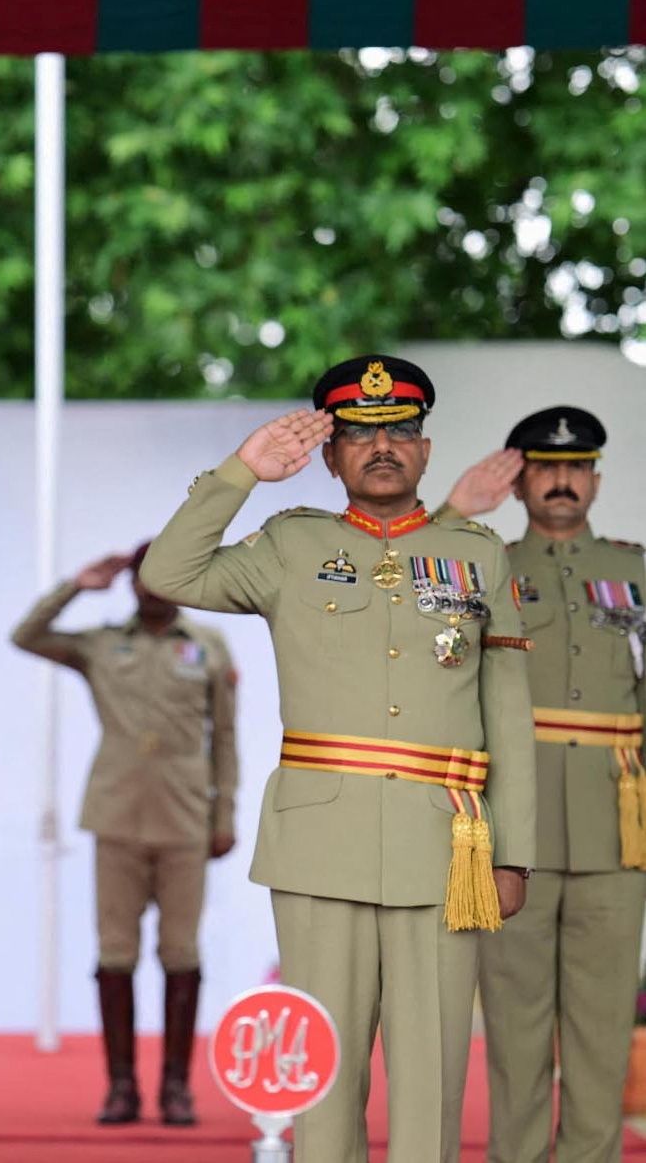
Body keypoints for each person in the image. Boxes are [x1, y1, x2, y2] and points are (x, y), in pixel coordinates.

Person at [138, 354, 535, 1162]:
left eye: (399, 433)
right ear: (329, 456)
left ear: (425, 449)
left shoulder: (479, 555)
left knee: (431, 1076)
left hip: (446, 847)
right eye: (358, 435)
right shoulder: (290, 545)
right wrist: (242, 472)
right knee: (322, 1077)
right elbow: (167, 571)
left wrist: (515, 851)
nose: (381, 448)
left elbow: (509, 715)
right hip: (321, 847)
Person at [445, 407, 646, 1162]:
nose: (562, 482)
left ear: (594, 478)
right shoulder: (482, 563)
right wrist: (452, 514)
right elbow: (409, 614)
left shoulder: (636, 571)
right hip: (511, 829)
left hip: (615, 823)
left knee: (600, 1027)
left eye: (576, 467)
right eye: (545, 468)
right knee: (515, 1024)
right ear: (521, 479)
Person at [12, 542, 237, 1126]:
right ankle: (120, 1087)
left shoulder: (208, 647)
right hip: (116, 817)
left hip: (186, 818)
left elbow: (227, 740)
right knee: (116, 953)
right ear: (132, 582)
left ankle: (176, 1088)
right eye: (143, 575)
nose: (153, 585)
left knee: (181, 952)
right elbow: (26, 636)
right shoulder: (102, 643)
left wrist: (225, 816)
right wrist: (76, 586)